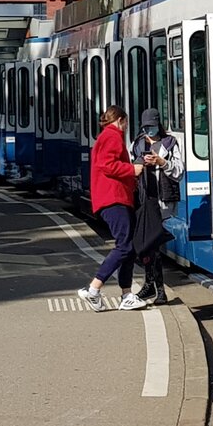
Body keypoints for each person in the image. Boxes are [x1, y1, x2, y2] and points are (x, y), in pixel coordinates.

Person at [77, 105, 147, 312]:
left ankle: (127, 294)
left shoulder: (106, 136)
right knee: (125, 246)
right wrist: (132, 169)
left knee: (129, 247)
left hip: (113, 198)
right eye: (125, 123)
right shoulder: (112, 136)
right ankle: (93, 288)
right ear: (121, 120)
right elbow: (106, 165)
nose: (126, 127)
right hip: (114, 198)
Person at [130, 108, 183, 306]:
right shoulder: (137, 144)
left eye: (151, 127)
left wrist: (162, 162)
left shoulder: (170, 143)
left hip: (162, 202)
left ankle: (158, 289)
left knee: (154, 245)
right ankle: (151, 285)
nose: (148, 131)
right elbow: (130, 167)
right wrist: (139, 165)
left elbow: (179, 171)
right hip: (144, 199)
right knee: (146, 245)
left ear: (158, 125)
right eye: (145, 128)